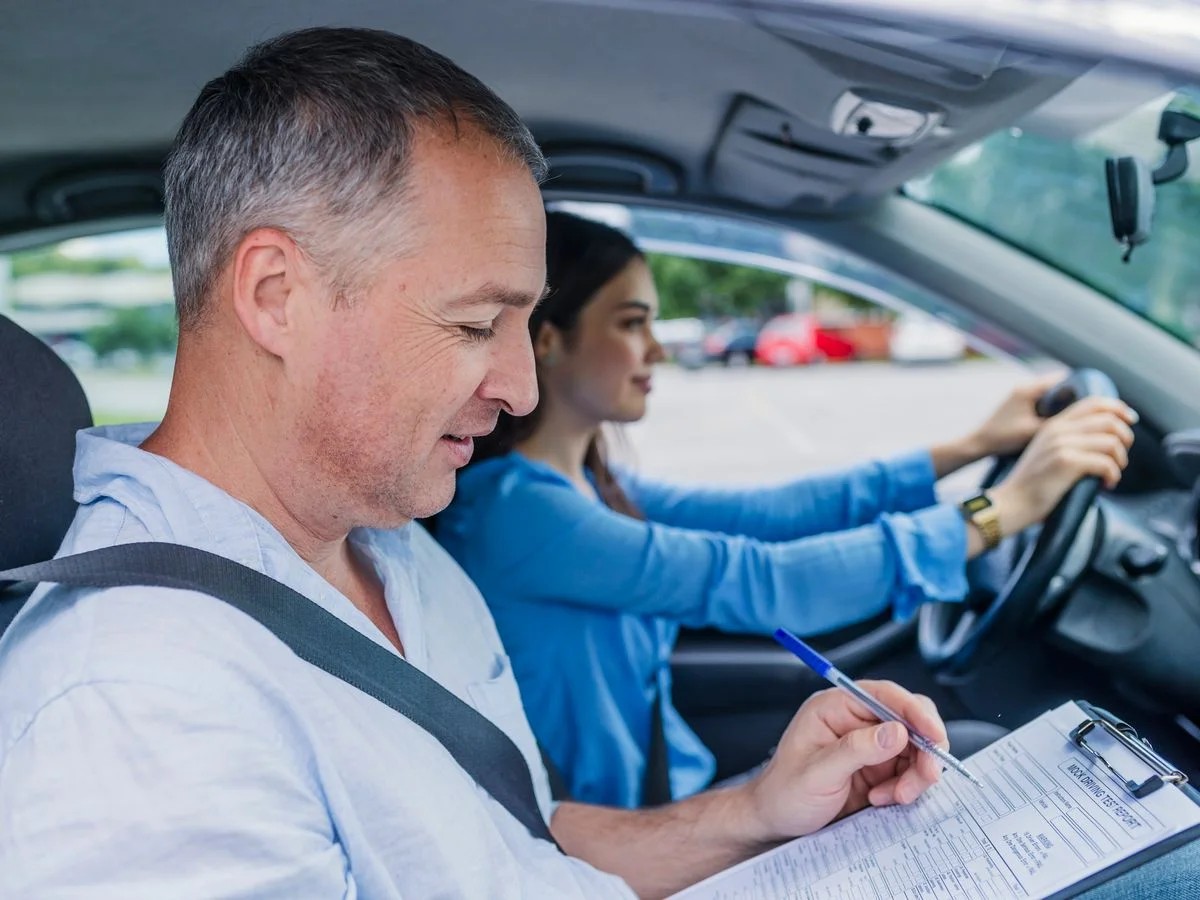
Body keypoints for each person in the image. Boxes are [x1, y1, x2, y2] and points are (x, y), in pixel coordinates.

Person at [0, 26, 1193, 900]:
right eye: (475, 326)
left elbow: (513, 848)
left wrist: (756, 815)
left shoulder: (392, 552)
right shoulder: (136, 710)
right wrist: (994, 501)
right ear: (276, 294)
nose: (517, 386)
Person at [436, 211, 1140, 809]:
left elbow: (768, 515)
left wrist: (971, 447)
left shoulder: (585, 486)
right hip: (625, 838)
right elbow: (762, 580)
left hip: (670, 787)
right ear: (548, 338)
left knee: (969, 761)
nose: (657, 347)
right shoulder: (516, 515)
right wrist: (1003, 510)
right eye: (631, 323)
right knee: (982, 765)